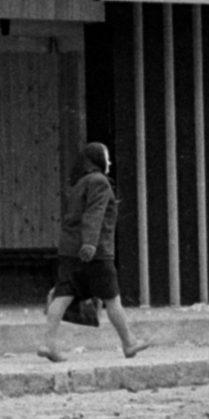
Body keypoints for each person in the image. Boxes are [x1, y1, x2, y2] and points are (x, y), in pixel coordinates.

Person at [38, 142, 152, 363]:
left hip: (69, 250)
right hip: (95, 251)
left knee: (63, 295)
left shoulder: (79, 182)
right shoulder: (99, 182)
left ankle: (48, 344)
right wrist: (90, 243)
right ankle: (129, 343)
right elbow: (94, 213)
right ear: (97, 160)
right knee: (112, 298)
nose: (109, 162)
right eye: (106, 157)